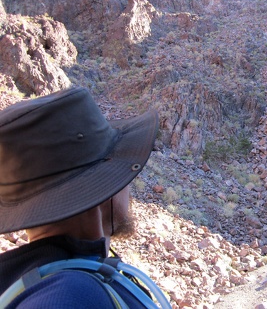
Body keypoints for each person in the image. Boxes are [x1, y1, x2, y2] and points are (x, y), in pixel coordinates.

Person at [0, 87, 168, 308]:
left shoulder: (31, 278)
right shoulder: (71, 292)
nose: (128, 189)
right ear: (102, 187)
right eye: (122, 172)